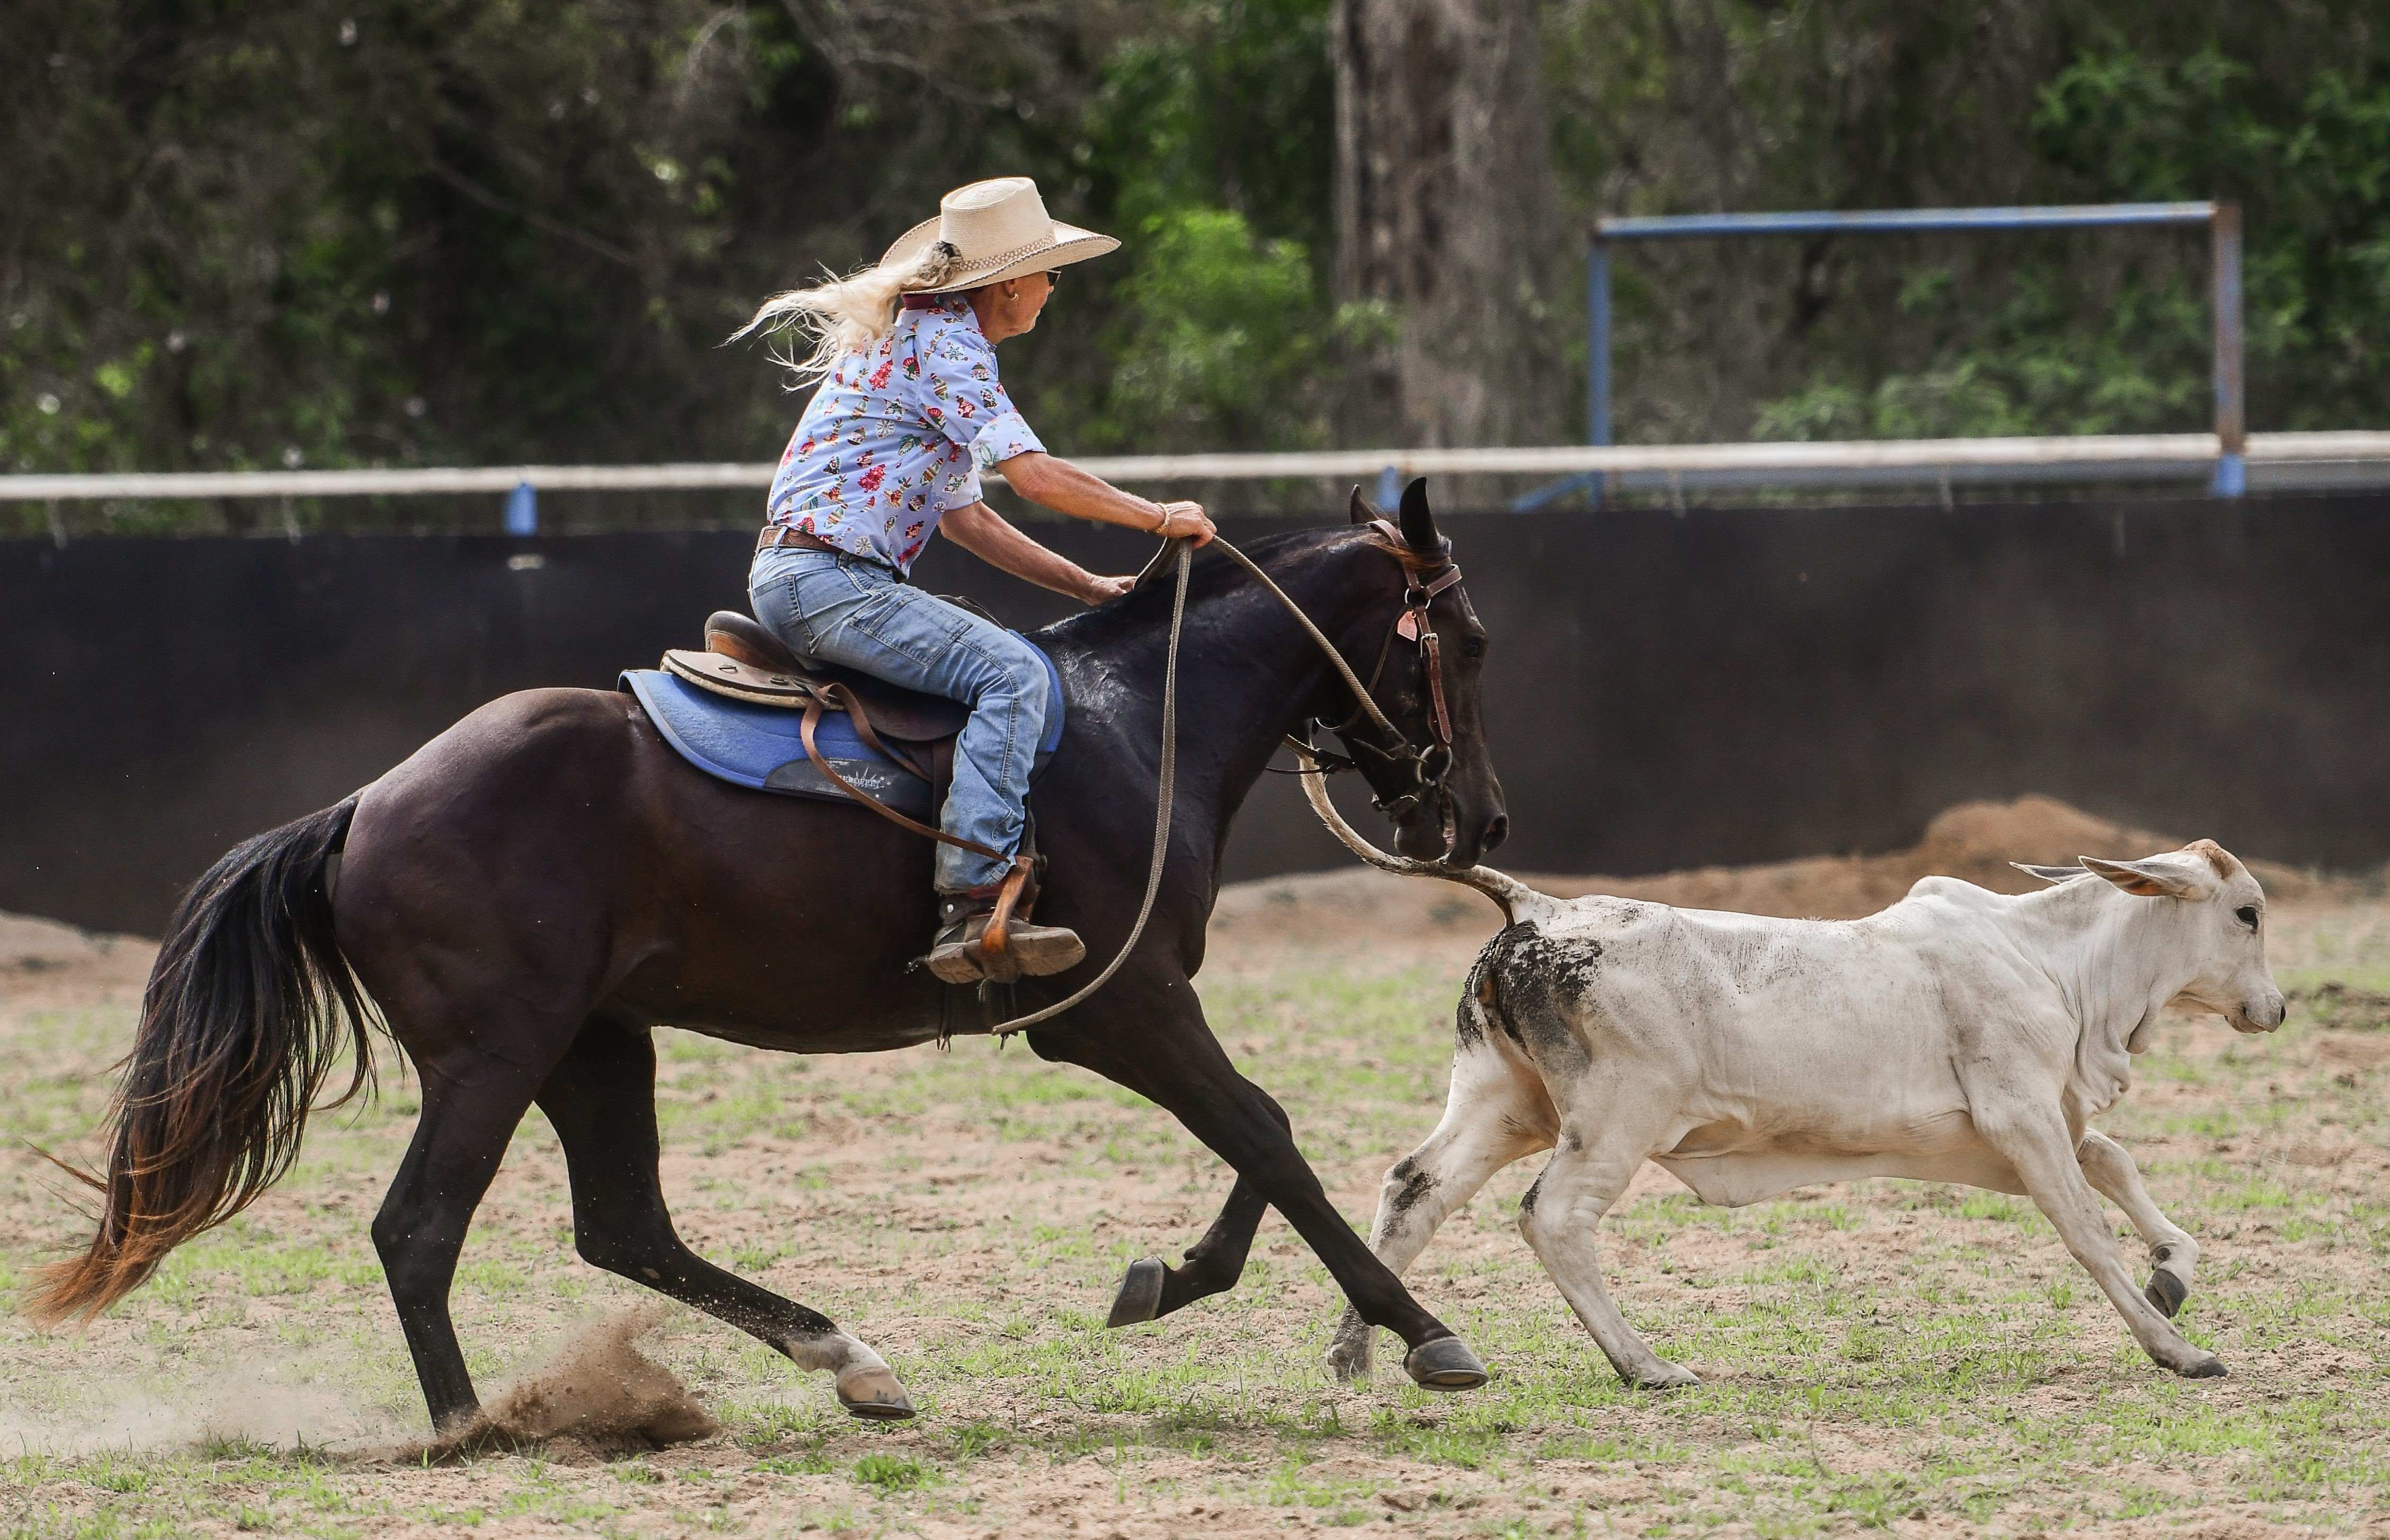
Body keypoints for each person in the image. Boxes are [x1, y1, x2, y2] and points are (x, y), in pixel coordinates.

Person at [734, 177, 1218, 985]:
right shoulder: (950, 349)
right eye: (1050, 273)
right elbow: (1035, 478)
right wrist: (1159, 516)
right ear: (1011, 284)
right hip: (830, 580)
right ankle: (974, 898)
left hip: (808, 574)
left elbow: (969, 520)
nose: (1054, 288)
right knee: (1013, 676)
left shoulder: (923, 341)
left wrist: (1087, 587)